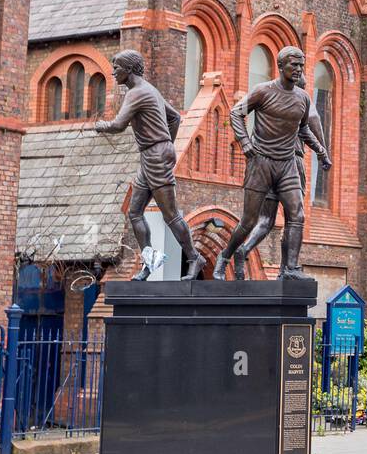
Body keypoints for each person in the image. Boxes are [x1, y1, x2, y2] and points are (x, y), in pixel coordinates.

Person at [214, 46, 329, 281]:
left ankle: (290, 269)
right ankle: (225, 256)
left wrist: (320, 151)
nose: (298, 69)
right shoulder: (263, 91)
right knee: (249, 221)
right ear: (280, 66)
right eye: (293, 65)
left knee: (296, 215)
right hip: (261, 163)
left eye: (300, 65)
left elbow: (303, 128)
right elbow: (236, 113)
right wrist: (245, 142)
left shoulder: (303, 98)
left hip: (287, 164)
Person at [94, 50, 204, 281]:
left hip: (155, 155)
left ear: (130, 70)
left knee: (170, 215)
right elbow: (174, 117)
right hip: (152, 155)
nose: (114, 72)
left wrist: (101, 125)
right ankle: (150, 261)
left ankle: (194, 258)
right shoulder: (150, 90)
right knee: (134, 212)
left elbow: (118, 125)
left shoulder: (137, 93)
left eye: (117, 68)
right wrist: (166, 144)